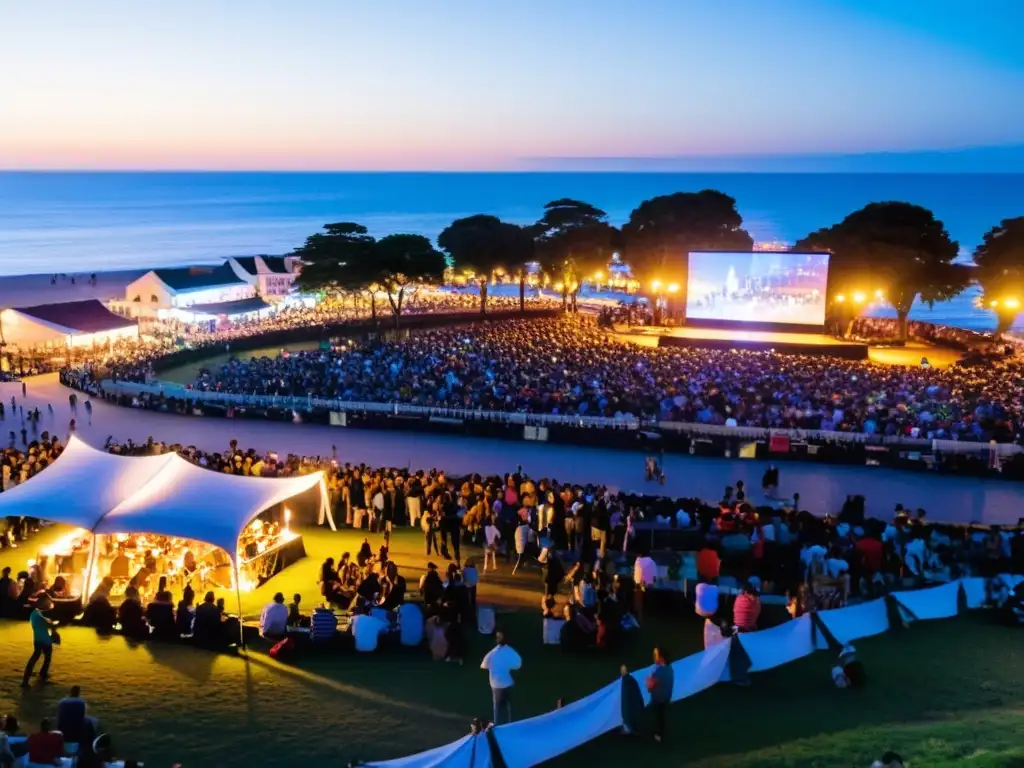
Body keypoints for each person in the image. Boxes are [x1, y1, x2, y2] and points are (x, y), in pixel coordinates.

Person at [480, 630, 521, 725]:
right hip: (508, 683)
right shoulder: (510, 651)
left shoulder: (492, 653)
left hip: (496, 684)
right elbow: (518, 664)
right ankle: (511, 725)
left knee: (497, 708)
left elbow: (483, 665)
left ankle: (498, 726)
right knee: (510, 707)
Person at [22, 595, 56, 688]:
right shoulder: (38, 615)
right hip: (43, 640)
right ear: (43, 603)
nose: (49, 605)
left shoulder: (35, 613)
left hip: (39, 639)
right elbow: (49, 624)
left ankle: (37, 676)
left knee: (41, 658)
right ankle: (29, 679)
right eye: (48, 603)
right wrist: (52, 624)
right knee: (39, 658)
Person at [646, 646, 674, 743]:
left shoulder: (658, 672)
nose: (654, 657)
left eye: (656, 655)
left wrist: (648, 680)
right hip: (666, 697)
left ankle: (658, 735)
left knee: (657, 716)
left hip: (658, 699)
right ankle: (661, 732)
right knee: (661, 715)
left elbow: (650, 687)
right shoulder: (669, 668)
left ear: (661, 658)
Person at [619, 663, 644, 736]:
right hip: (635, 704)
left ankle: (630, 730)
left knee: (629, 716)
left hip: (632, 705)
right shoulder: (632, 680)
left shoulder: (626, 682)